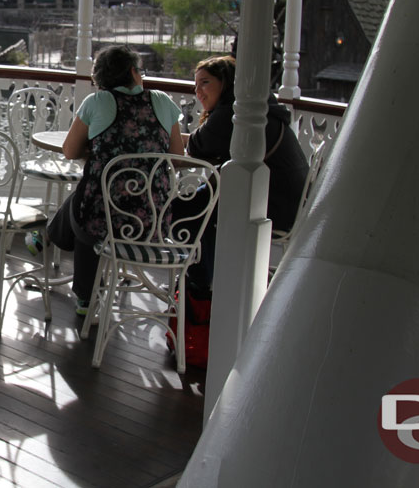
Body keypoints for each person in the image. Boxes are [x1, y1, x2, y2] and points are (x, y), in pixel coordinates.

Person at [47, 45, 185, 314]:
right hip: (153, 219)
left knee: (90, 199)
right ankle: (52, 238)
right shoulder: (162, 101)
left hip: (104, 219)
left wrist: (101, 150)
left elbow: (70, 151)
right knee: (91, 196)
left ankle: (85, 296)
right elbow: (177, 157)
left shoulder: (97, 102)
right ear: (133, 72)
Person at [183, 55, 309, 294]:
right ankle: (202, 278)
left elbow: (198, 146)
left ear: (226, 82)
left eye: (205, 83)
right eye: (195, 85)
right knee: (199, 203)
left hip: (273, 207)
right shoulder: (264, 107)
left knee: (194, 211)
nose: (198, 91)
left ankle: (199, 286)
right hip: (291, 201)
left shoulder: (236, 112)